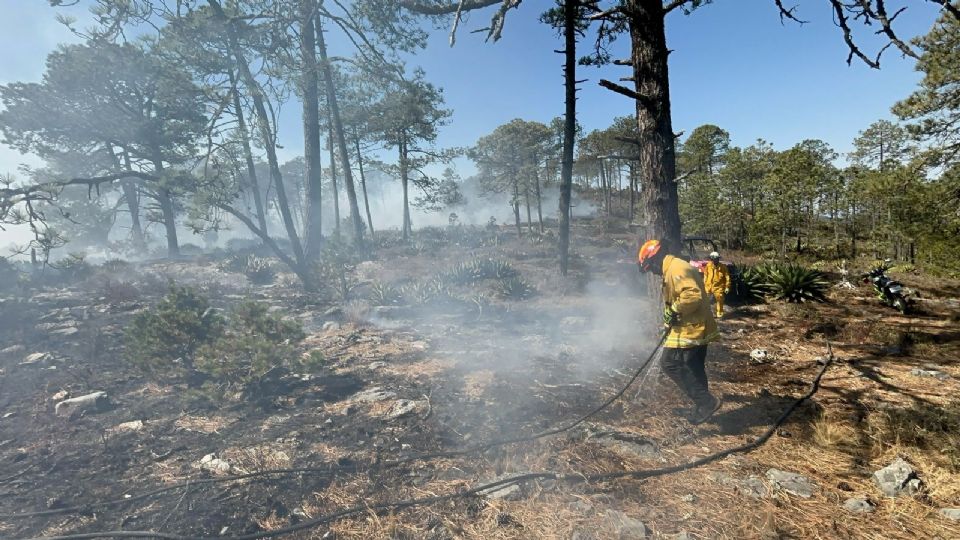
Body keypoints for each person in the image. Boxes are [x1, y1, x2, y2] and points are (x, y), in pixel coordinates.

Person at [638, 239, 722, 425]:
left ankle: (707, 402)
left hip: (692, 327)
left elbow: (692, 296)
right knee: (694, 367)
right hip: (693, 325)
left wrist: (674, 310)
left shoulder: (676, 269)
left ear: (656, 259)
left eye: (651, 267)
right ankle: (703, 406)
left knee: (669, 363)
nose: (653, 272)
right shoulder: (673, 268)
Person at [702, 251, 731, 318]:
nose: (714, 260)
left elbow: (727, 277)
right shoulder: (708, 266)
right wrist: (704, 284)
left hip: (718, 287)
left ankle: (719, 314)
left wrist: (727, 287)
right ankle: (706, 314)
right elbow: (705, 275)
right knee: (705, 300)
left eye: (716, 259)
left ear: (718, 259)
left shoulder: (723, 267)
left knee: (720, 300)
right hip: (708, 286)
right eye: (712, 259)